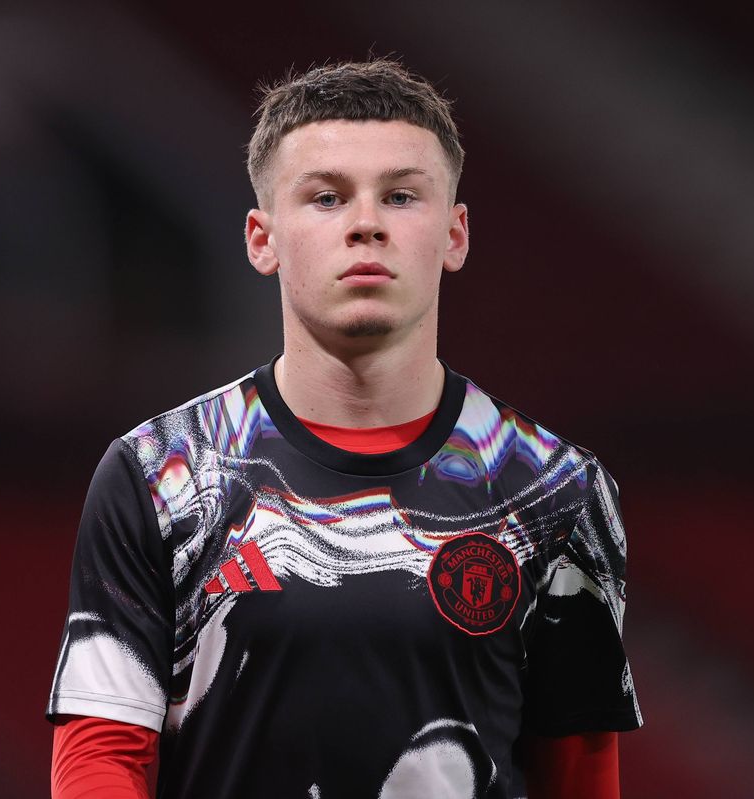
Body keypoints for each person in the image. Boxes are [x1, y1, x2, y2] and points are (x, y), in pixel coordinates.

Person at [46, 58, 642, 799]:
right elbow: (101, 755)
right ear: (262, 239)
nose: (366, 224)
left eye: (400, 196)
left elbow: (582, 777)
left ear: (454, 235)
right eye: (326, 197)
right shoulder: (161, 473)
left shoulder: (556, 489)